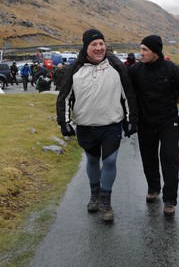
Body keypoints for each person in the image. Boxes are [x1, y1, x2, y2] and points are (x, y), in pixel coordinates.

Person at [56, 29, 137, 222]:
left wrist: (131, 120)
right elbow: (64, 97)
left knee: (109, 161)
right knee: (92, 161)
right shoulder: (74, 68)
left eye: (101, 43)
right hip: (86, 125)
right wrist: (64, 123)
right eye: (94, 44)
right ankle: (94, 193)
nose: (99, 48)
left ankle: (105, 201)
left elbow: (128, 95)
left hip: (111, 124)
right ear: (86, 46)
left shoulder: (116, 65)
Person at [129, 35, 179, 217]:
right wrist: (130, 119)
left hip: (168, 121)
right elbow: (127, 94)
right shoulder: (136, 70)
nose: (141, 53)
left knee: (169, 158)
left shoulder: (172, 69)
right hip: (146, 122)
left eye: (145, 50)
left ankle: (170, 200)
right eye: (140, 49)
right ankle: (153, 188)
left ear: (156, 52)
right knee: (149, 157)